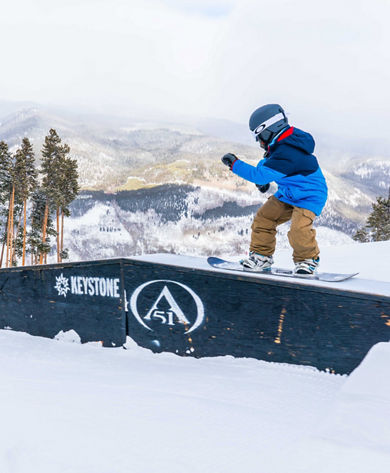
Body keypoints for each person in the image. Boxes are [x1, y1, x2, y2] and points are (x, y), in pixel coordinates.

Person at [221, 104, 328, 275]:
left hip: (310, 197)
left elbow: (260, 174)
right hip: (288, 194)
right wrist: (264, 180)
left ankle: (308, 260)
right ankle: (261, 257)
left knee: (298, 229)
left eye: (259, 136)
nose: (259, 142)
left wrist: (234, 164)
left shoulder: (288, 151)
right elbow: (268, 162)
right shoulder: (282, 143)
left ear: (269, 129)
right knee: (265, 218)